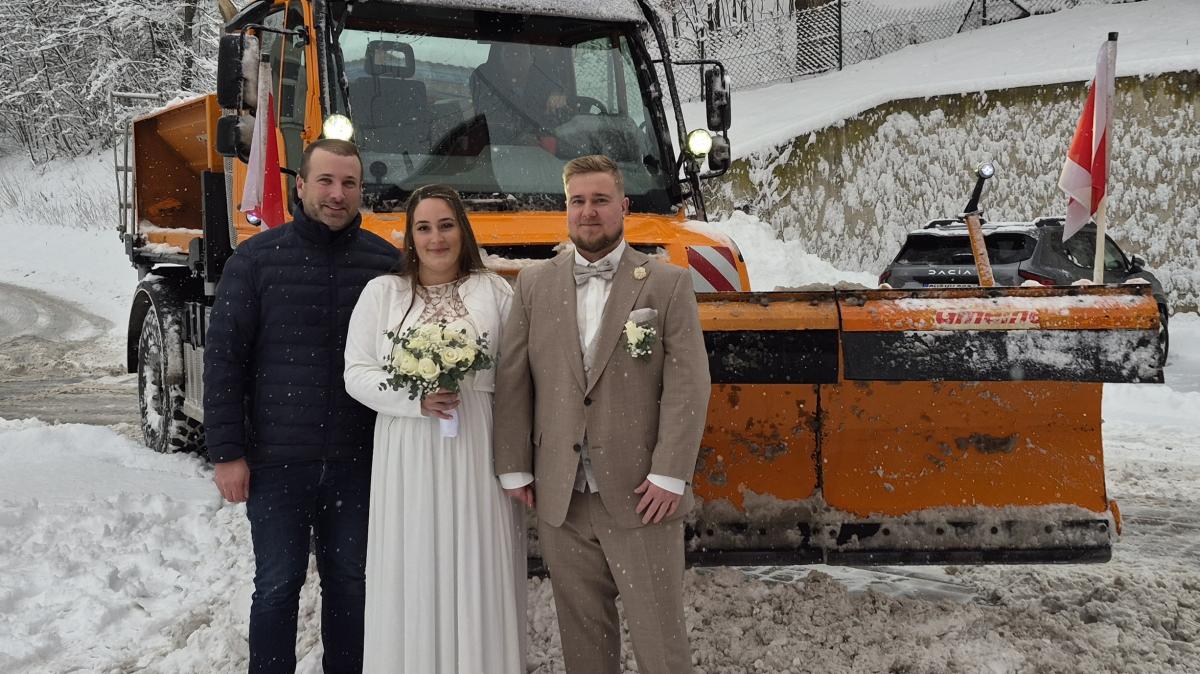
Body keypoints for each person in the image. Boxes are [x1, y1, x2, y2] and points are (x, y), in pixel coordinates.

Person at [494, 154, 711, 674]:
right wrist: (516, 465)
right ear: (566, 208)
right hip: (562, 497)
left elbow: (688, 384)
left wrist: (669, 473)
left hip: (643, 494)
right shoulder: (533, 284)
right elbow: (514, 380)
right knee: (584, 643)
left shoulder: (666, 284)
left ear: (623, 206)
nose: (588, 212)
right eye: (578, 201)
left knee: (661, 641)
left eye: (600, 200)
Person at [205, 139, 399, 674]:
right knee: (276, 584)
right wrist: (227, 452)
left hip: (357, 461)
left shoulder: (386, 265)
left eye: (349, 184)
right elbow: (225, 362)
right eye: (326, 181)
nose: (337, 195)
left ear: (362, 190)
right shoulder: (256, 261)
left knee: (351, 580)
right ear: (301, 185)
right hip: (275, 460)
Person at [343, 184, 526, 673]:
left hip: (477, 442)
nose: (435, 238)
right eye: (423, 227)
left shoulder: (495, 291)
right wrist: (414, 398)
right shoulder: (383, 293)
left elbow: (519, 373)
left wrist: (519, 459)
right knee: (414, 561)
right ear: (410, 237)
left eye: (446, 225)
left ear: (462, 231)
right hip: (409, 445)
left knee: (478, 563)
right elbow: (356, 372)